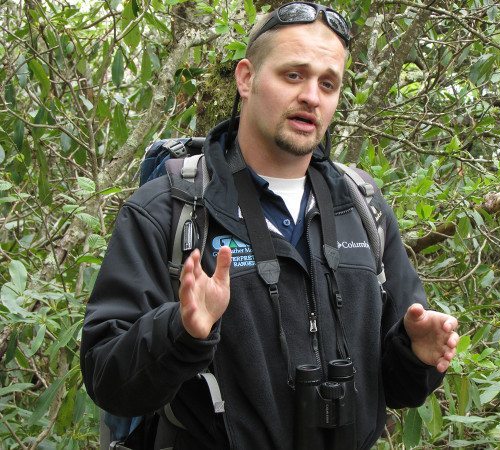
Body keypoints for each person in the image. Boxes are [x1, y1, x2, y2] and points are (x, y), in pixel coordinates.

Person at [80, 3, 459, 449]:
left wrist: (416, 354)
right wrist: (180, 332)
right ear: (246, 78)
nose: (312, 97)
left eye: (328, 83)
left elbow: (396, 388)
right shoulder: (170, 208)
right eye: (293, 75)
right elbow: (107, 378)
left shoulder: (362, 207)